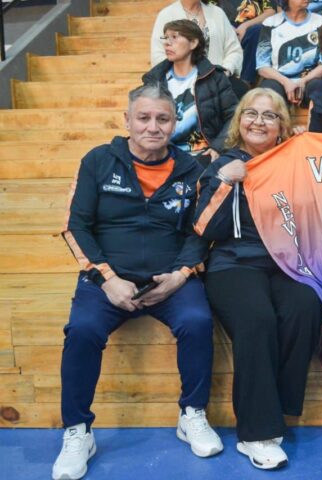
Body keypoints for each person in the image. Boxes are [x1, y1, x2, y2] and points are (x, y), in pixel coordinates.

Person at [52, 84, 222, 480]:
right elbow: (75, 226)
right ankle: (78, 431)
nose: (152, 127)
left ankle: (192, 414)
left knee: (198, 322)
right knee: (81, 331)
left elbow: (200, 231)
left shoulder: (192, 168)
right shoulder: (97, 161)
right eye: (143, 118)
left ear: (174, 123)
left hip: (170, 280)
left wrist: (180, 276)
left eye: (162, 119)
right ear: (127, 121)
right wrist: (107, 278)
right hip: (107, 280)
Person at [193, 88, 322, 471]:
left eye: (270, 115)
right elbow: (203, 227)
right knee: (257, 319)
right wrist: (224, 182)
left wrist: (308, 150)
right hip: (234, 264)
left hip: (285, 263)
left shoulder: (294, 162)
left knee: (305, 306)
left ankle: (276, 407)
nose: (259, 121)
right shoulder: (222, 165)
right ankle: (255, 433)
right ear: (239, 121)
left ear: (282, 125)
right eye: (251, 113)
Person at [143, 20, 238, 167]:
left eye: (174, 37)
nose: (167, 43)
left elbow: (234, 115)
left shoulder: (214, 77)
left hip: (203, 155)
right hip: (162, 154)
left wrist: (218, 147)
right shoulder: (155, 79)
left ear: (193, 43)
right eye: (166, 38)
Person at [151, 0, 246, 95]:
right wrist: (184, 77)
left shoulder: (218, 13)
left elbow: (234, 50)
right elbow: (158, 56)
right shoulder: (166, 15)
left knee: (241, 90)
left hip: (218, 82)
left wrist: (223, 72)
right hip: (180, 86)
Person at [256, 0, 322, 105]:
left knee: (319, 88)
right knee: (268, 92)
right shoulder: (270, 23)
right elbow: (262, 66)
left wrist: (303, 81)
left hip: (310, 79)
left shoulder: (321, 23)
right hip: (278, 79)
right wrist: (286, 82)